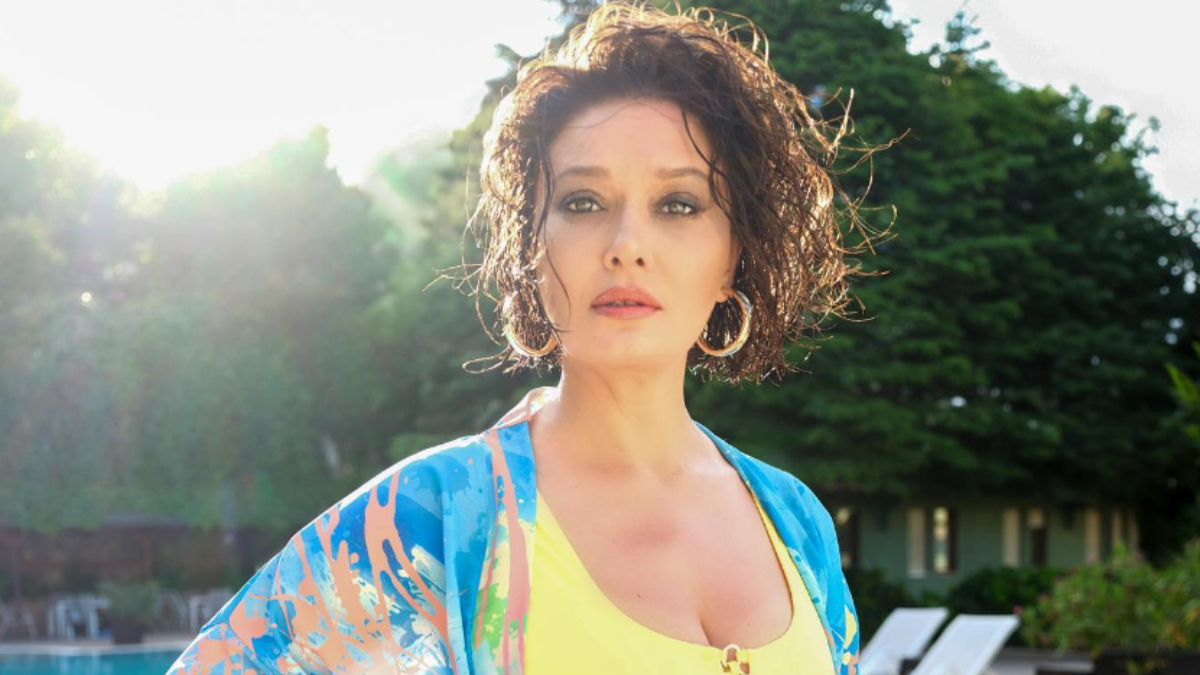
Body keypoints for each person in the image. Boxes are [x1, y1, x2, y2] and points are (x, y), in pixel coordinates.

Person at [166, 2, 879, 673]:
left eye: (679, 204)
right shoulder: (431, 517)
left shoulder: (795, 521)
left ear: (732, 260)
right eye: (583, 202)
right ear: (531, 249)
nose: (627, 245)